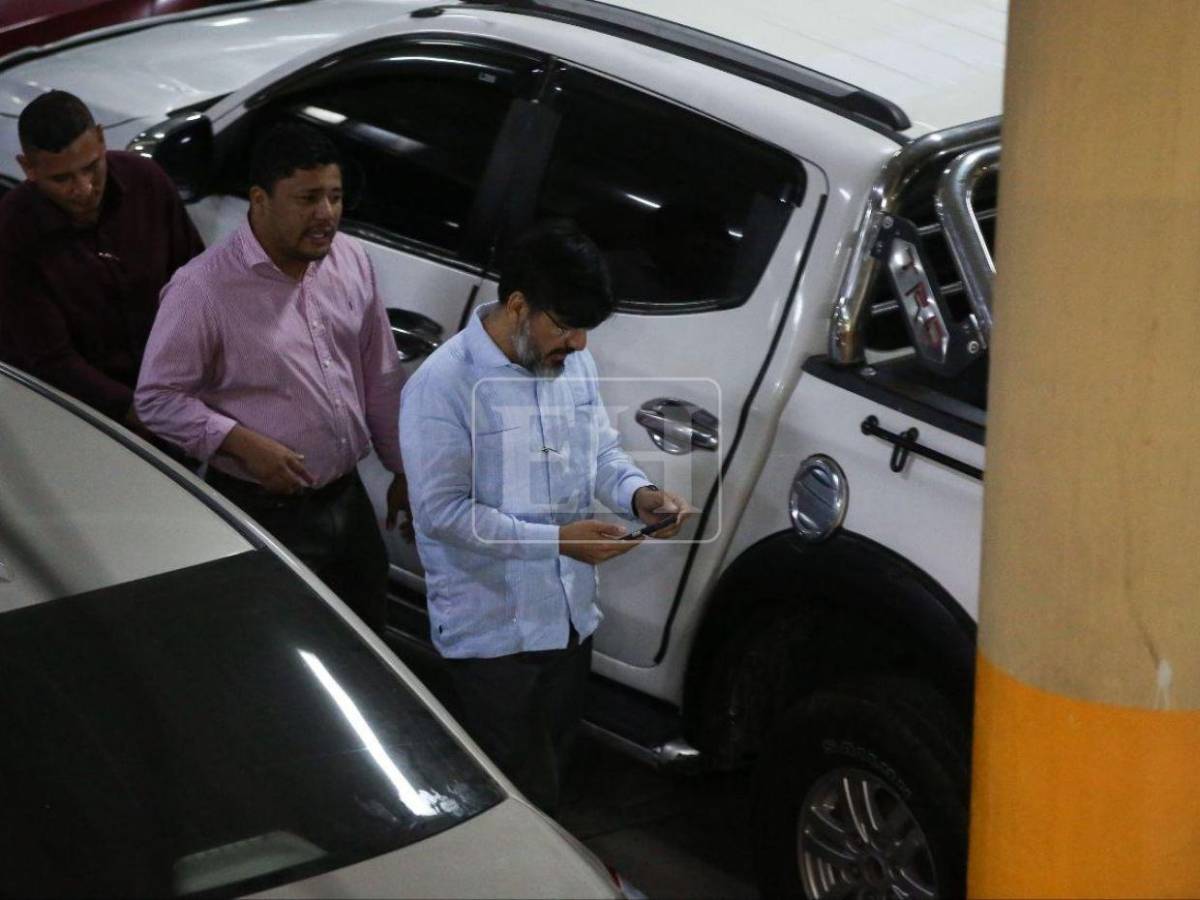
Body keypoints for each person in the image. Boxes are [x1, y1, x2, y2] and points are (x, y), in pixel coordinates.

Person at [400, 219, 690, 814]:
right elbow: (443, 514)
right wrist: (558, 541)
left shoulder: (570, 363)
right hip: (492, 641)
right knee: (517, 803)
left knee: (553, 780)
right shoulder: (444, 387)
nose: (580, 343)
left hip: (568, 624)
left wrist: (638, 494)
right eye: (566, 326)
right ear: (517, 305)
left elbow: (600, 449)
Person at [135, 122, 407, 634]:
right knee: (277, 657)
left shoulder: (350, 260)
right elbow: (157, 398)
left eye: (334, 196)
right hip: (262, 510)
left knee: (369, 645)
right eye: (308, 198)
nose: (326, 214)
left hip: (347, 503)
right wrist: (241, 443)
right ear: (259, 200)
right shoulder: (203, 290)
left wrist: (402, 469)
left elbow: (381, 373)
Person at [0, 90, 204, 431]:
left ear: (101, 138)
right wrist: (153, 416)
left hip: (179, 390)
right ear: (28, 168)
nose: (83, 188)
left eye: (92, 167)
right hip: (86, 422)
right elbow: (52, 361)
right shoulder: (12, 233)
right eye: (61, 179)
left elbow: (197, 281)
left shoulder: (146, 181)